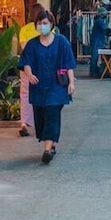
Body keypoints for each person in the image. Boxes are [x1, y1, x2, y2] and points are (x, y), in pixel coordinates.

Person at [19, 9, 76, 164]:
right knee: (41, 117)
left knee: (52, 113)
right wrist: (29, 75)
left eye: (45, 23)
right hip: (38, 86)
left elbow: (68, 63)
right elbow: (26, 63)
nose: (42, 26)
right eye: (39, 23)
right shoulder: (32, 44)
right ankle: (51, 144)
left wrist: (71, 82)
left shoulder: (62, 41)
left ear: (51, 24)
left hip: (57, 86)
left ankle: (47, 148)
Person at [17, 3, 46, 137]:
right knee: (43, 94)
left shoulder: (24, 30)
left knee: (25, 94)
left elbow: (24, 49)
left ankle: (24, 123)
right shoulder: (45, 28)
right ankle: (42, 122)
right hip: (42, 66)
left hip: (26, 66)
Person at [89, 7, 109, 78]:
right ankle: (93, 72)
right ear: (102, 14)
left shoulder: (97, 20)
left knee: (94, 57)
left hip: (96, 40)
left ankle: (92, 71)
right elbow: (106, 29)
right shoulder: (100, 21)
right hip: (97, 41)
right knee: (95, 57)